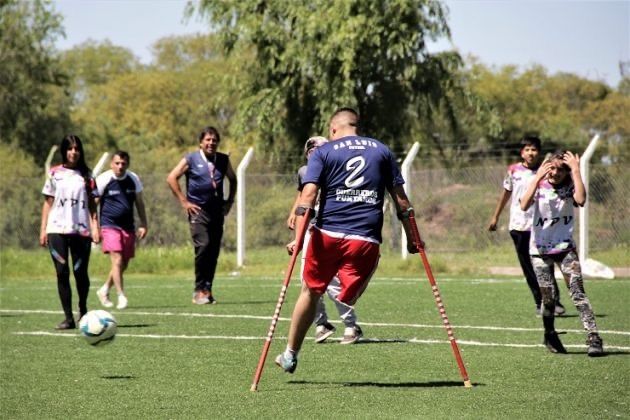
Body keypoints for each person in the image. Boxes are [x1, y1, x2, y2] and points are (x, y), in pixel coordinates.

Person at [276, 107, 419, 373]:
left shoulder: (323, 151)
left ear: (332, 129)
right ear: (356, 126)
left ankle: (290, 354)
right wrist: (413, 238)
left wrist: (298, 240)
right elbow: (402, 202)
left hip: (326, 236)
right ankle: (348, 304)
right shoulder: (382, 150)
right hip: (363, 240)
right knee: (349, 296)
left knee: (310, 290)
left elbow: (307, 199)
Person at [520, 151, 604, 357]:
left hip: (565, 249)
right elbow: (523, 204)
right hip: (539, 251)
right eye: (552, 168)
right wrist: (538, 177)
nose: (555, 173)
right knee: (547, 299)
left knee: (577, 293)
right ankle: (549, 333)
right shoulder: (538, 184)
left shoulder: (570, 184)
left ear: (566, 172)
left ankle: (593, 337)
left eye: (561, 169)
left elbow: (581, 199)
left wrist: (576, 170)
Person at [286, 136, 362, 345]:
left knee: (334, 283)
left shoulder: (338, 169)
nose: (314, 154)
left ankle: (351, 325)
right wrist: (296, 223)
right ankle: (322, 323)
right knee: (307, 281)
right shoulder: (304, 171)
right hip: (313, 230)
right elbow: (304, 195)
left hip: (332, 230)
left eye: (318, 149)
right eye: (310, 150)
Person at [488, 135, 564, 316]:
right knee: (528, 268)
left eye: (534, 149)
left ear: (539, 152)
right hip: (518, 226)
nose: (531, 153)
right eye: (527, 149)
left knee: (545, 264)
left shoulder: (547, 172)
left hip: (540, 226)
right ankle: (540, 303)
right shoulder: (513, 170)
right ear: (522, 153)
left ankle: (555, 301)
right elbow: (506, 194)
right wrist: (495, 217)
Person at [167, 126, 237, 304]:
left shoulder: (222, 159)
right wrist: (184, 202)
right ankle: (198, 289)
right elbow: (172, 177)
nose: (211, 143)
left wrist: (229, 202)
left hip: (217, 211)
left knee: (213, 252)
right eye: (208, 140)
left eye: (214, 140)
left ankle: (207, 290)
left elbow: (233, 178)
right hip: (198, 211)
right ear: (201, 142)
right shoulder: (191, 158)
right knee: (203, 246)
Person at [39, 135, 100, 329]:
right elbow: (48, 203)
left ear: (80, 152)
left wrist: (95, 227)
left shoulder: (87, 176)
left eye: (77, 149)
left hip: (81, 231)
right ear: (64, 151)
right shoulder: (54, 173)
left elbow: (92, 204)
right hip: (56, 230)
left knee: (80, 272)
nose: (73, 152)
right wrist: (43, 229)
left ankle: (82, 310)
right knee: (62, 272)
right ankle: (68, 318)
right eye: (70, 148)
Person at [95, 151, 148, 310]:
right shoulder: (104, 179)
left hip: (128, 227)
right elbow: (94, 204)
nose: (120, 166)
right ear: (112, 164)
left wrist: (144, 223)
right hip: (109, 225)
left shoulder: (133, 179)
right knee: (117, 260)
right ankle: (121, 295)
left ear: (127, 164)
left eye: (123, 163)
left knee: (123, 263)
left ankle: (104, 289)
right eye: (117, 163)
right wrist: (94, 226)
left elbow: (139, 203)